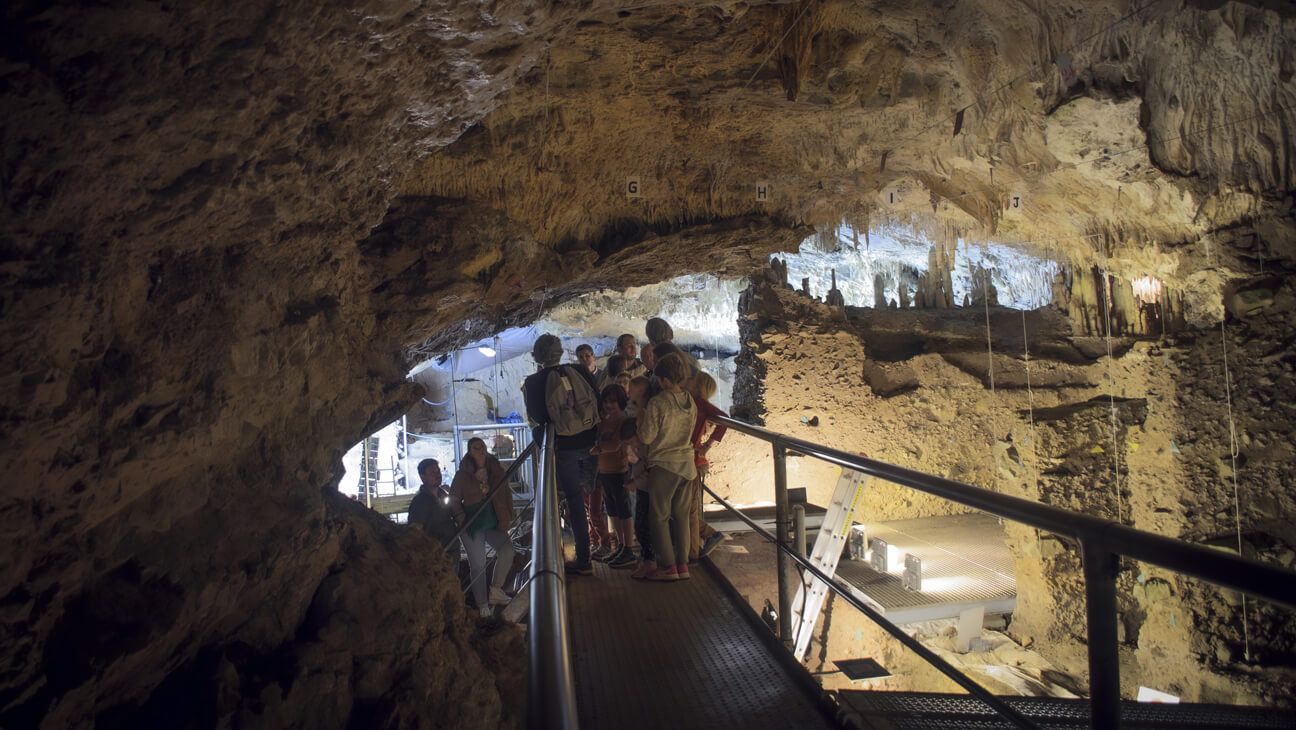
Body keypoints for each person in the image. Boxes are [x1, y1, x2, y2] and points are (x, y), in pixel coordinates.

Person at [523, 334, 598, 575]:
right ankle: (608, 543)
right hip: (590, 440)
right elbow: (595, 397)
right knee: (596, 493)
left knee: (574, 501)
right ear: (559, 352)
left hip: (563, 445)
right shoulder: (578, 369)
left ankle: (584, 557)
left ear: (537, 356)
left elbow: (537, 417)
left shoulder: (534, 382)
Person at [634, 352, 698, 582]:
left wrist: (639, 427)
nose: (659, 383)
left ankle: (667, 566)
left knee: (659, 516)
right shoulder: (690, 401)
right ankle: (682, 565)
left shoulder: (658, 402)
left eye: (660, 379)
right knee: (680, 517)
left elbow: (648, 436)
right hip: (687, 465)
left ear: (666, 380)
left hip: (664, 465)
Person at [449, 438, 516, 616]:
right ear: (470, 451)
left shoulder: (496, 468)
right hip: (472, 523)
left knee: (507, 550)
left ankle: (496, 589)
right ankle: (482, 604)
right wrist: (460, 516)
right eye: (475, 448)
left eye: (482, 447)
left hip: (493, 520)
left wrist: (508, 514)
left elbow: (506, 492)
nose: (480, 451)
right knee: (478, 564)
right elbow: (454, 499)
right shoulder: (462, 474)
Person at [682, 371, 727, 561]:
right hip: (688, 459)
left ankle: (694, 552)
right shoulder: (691, 402)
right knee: (684, 508)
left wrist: (707, 445)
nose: (687, 381)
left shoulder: (700, 404)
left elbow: (724, 420)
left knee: (689, 509)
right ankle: (705, 536)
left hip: (693, 460)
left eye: (691, 379)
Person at [591, 384, 637, 568]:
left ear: (621, 403)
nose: (609, 405)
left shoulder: (623, 422)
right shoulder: (605, 422)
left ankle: (628, 548)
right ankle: (620, 545)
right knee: (613, 511)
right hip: (605, 471)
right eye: (607, 401)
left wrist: (599, 448)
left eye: (613, 401)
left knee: (623, 511)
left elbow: (615, 445)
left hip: (619, 470)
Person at [625, 376, 655, 577]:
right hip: (642, 471)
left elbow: (648, 449)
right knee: (642, 519)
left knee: (644, 522)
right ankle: (648, 558)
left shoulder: (647, 413)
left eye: (631, 389)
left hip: (647, 472)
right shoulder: (640, 411)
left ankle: (650, 560)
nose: (628, 393)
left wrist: (639, 480)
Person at [408, 458, 460, 549]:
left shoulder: (444, 495)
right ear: (422, 477)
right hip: (434, 554)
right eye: (433, 472)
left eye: (438, 471)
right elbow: (414, 532)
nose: (438, 475)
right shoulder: (419, 503)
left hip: (452, 549)